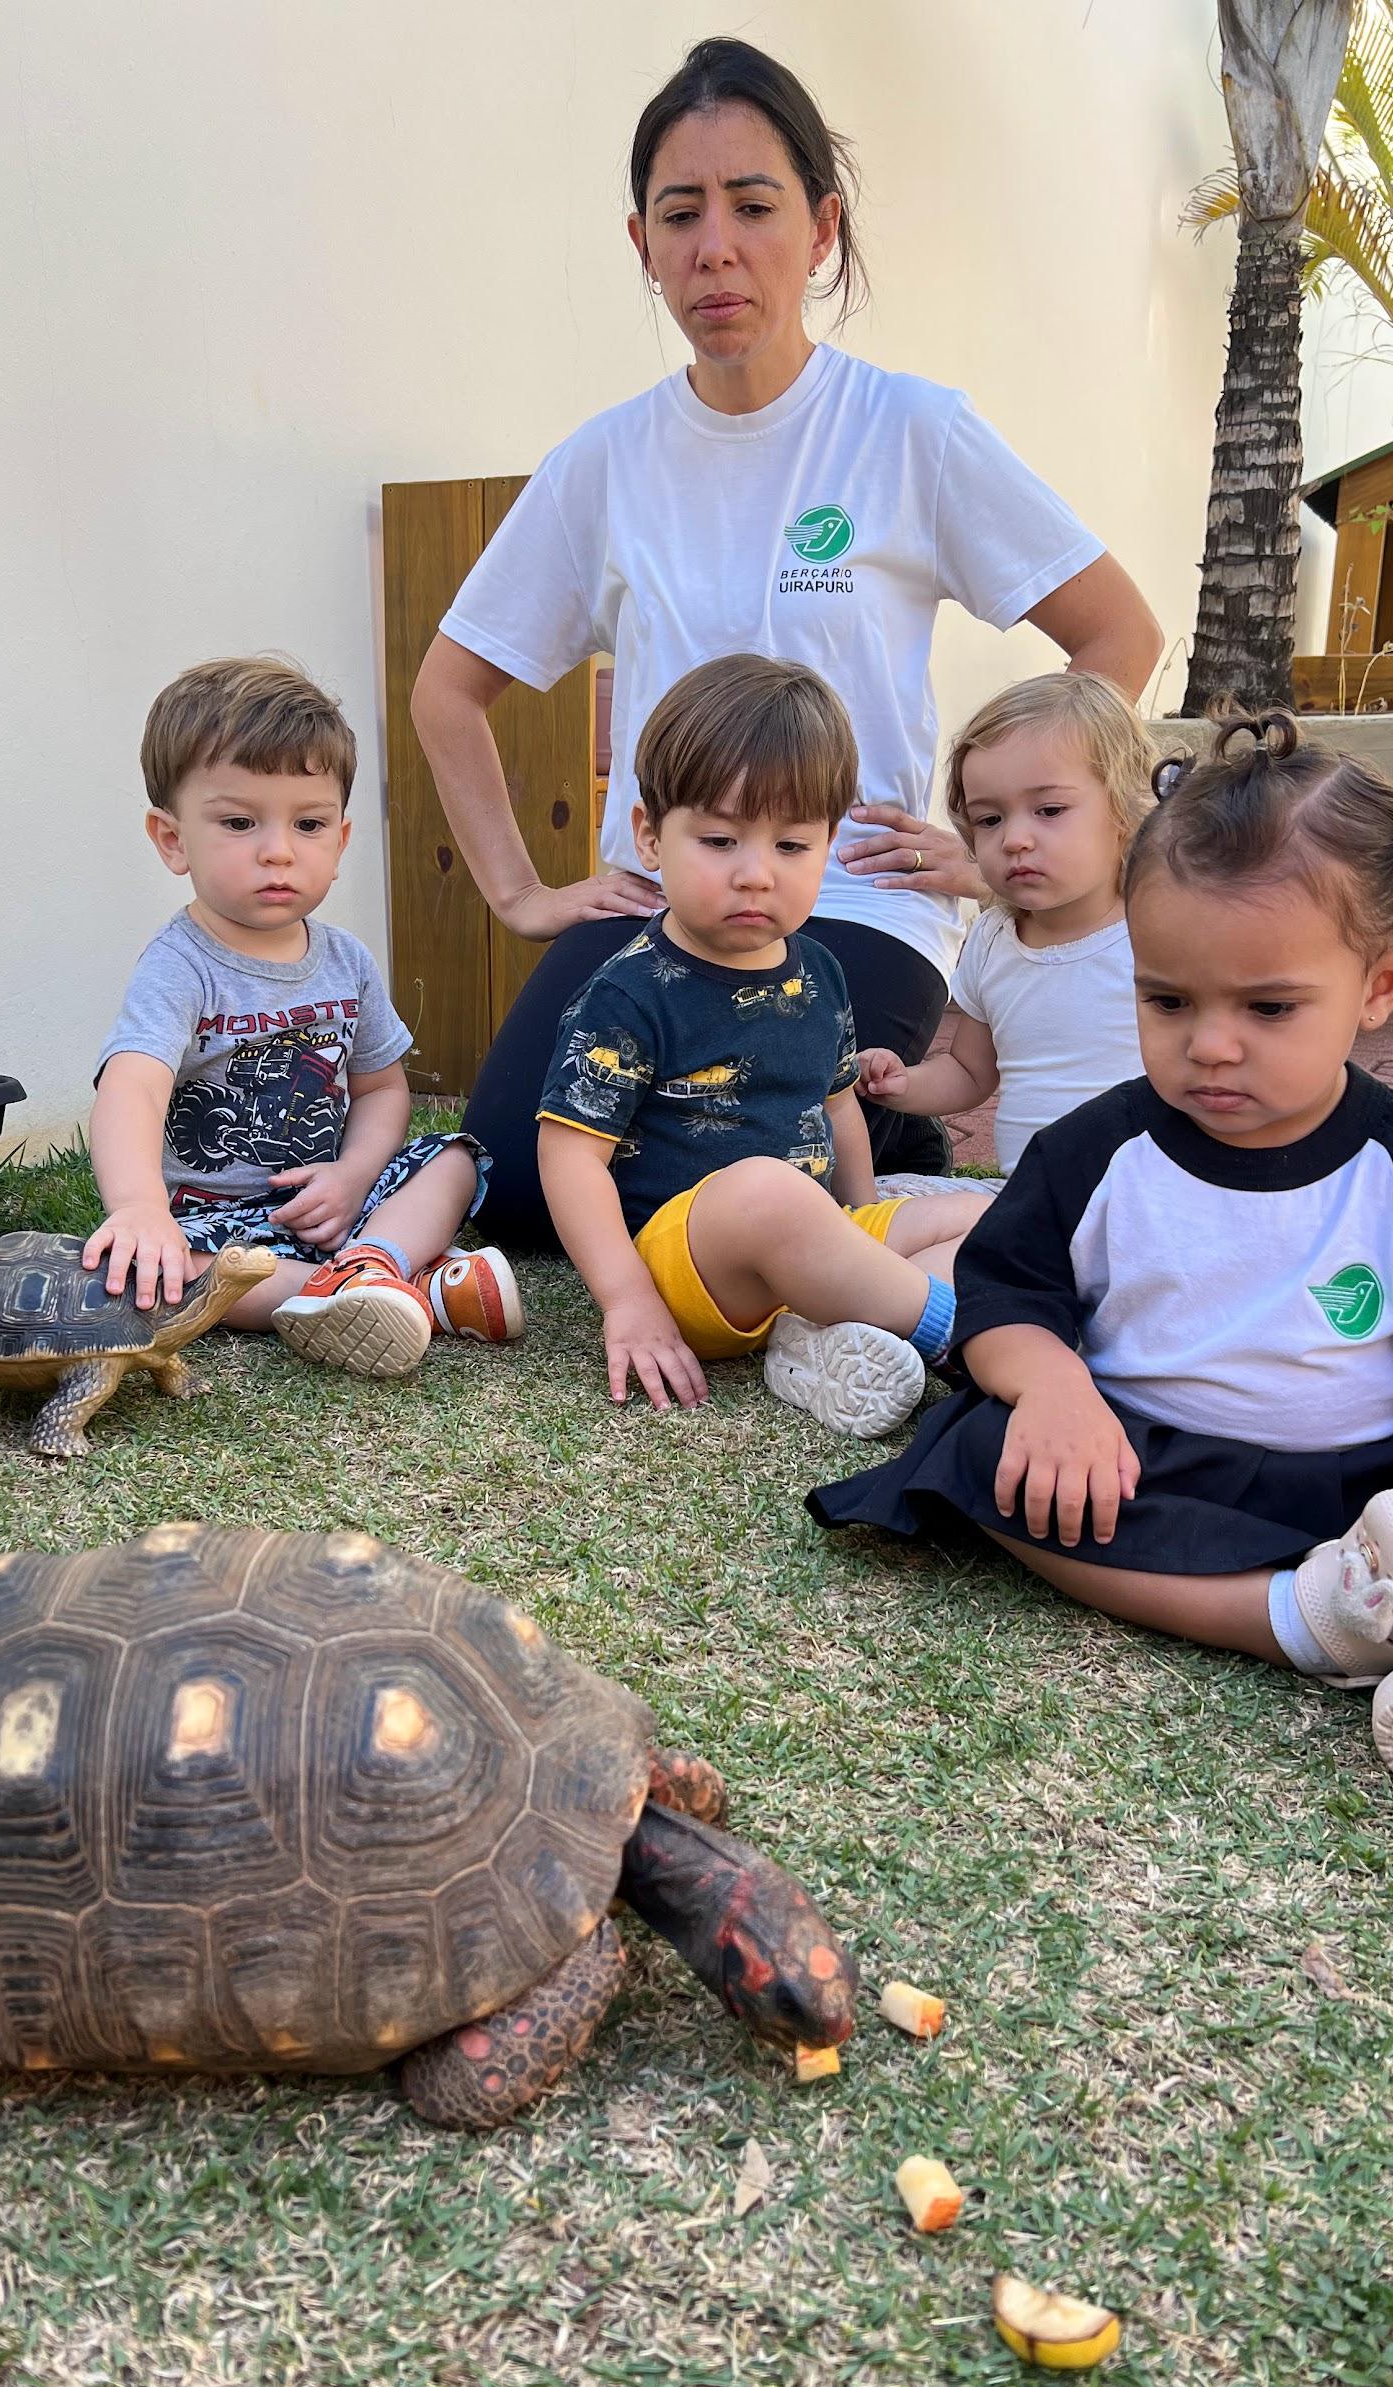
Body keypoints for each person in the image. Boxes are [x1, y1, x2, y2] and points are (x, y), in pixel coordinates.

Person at [412, 36, 1162, 1247]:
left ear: (820, 229)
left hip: (856, 899)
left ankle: (869, 1125)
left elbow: (1117, 633)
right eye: (680, 213)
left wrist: (994, 843)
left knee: (738, 1181)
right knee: (518, 1186)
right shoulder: (604, 461)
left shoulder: (911, 431)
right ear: (642, 244)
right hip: (664, 893)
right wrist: (521, 893)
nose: (715, 246)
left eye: (753, 206)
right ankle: (884, 1133)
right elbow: (449, 690)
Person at [810, 712, 1393, 1823]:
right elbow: (1002, 1294)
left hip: (1387, 1482)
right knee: (983, 1454)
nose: (1210, 1044)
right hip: (1153, 1464)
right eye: (1167, 999)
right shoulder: (1095, 1150)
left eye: (1268, 1007)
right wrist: (1054, 1390)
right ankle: (1299, 1620)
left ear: (1382, 985)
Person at [538, 655, 976, 1437]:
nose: (755, 875)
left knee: (974, 1216)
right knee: (766, 1191)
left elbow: (836, 1106)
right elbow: (569, 1157)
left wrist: (863, 1216)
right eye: (719, 839)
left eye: (791, 846)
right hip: (688, 1265)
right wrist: (627, 1298)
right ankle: (960, 1335)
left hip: (804, 1242)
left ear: (828, 844)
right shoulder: (629, 993)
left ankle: (826, 1334)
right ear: (649, 837)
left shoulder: (822, 971)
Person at [86, 656, 521, 1378]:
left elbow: (382, 1089)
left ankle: (374, 1265)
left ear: (340, 842)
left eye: (309, 823)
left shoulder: (347, 961)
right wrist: (138, 1207)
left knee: (451, 1159)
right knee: (182, 1277)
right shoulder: (180, 967)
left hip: (333, 1203)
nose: (279, 852)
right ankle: (408, 1292)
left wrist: (353, 1175)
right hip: (213, 1223)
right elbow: (131, 1086)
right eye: (238, 822)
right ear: (172, 839)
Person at [856, 673, 1154, 1202]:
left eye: (1049, 811)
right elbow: (970, 1072)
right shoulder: (994, 939)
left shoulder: (1156, 932)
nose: (1014, 839)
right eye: (989, 819)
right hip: (1026, 1199)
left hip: (1144, 1198)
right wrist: (901, 1084)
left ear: (1125, 809)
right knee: (881, 1205)